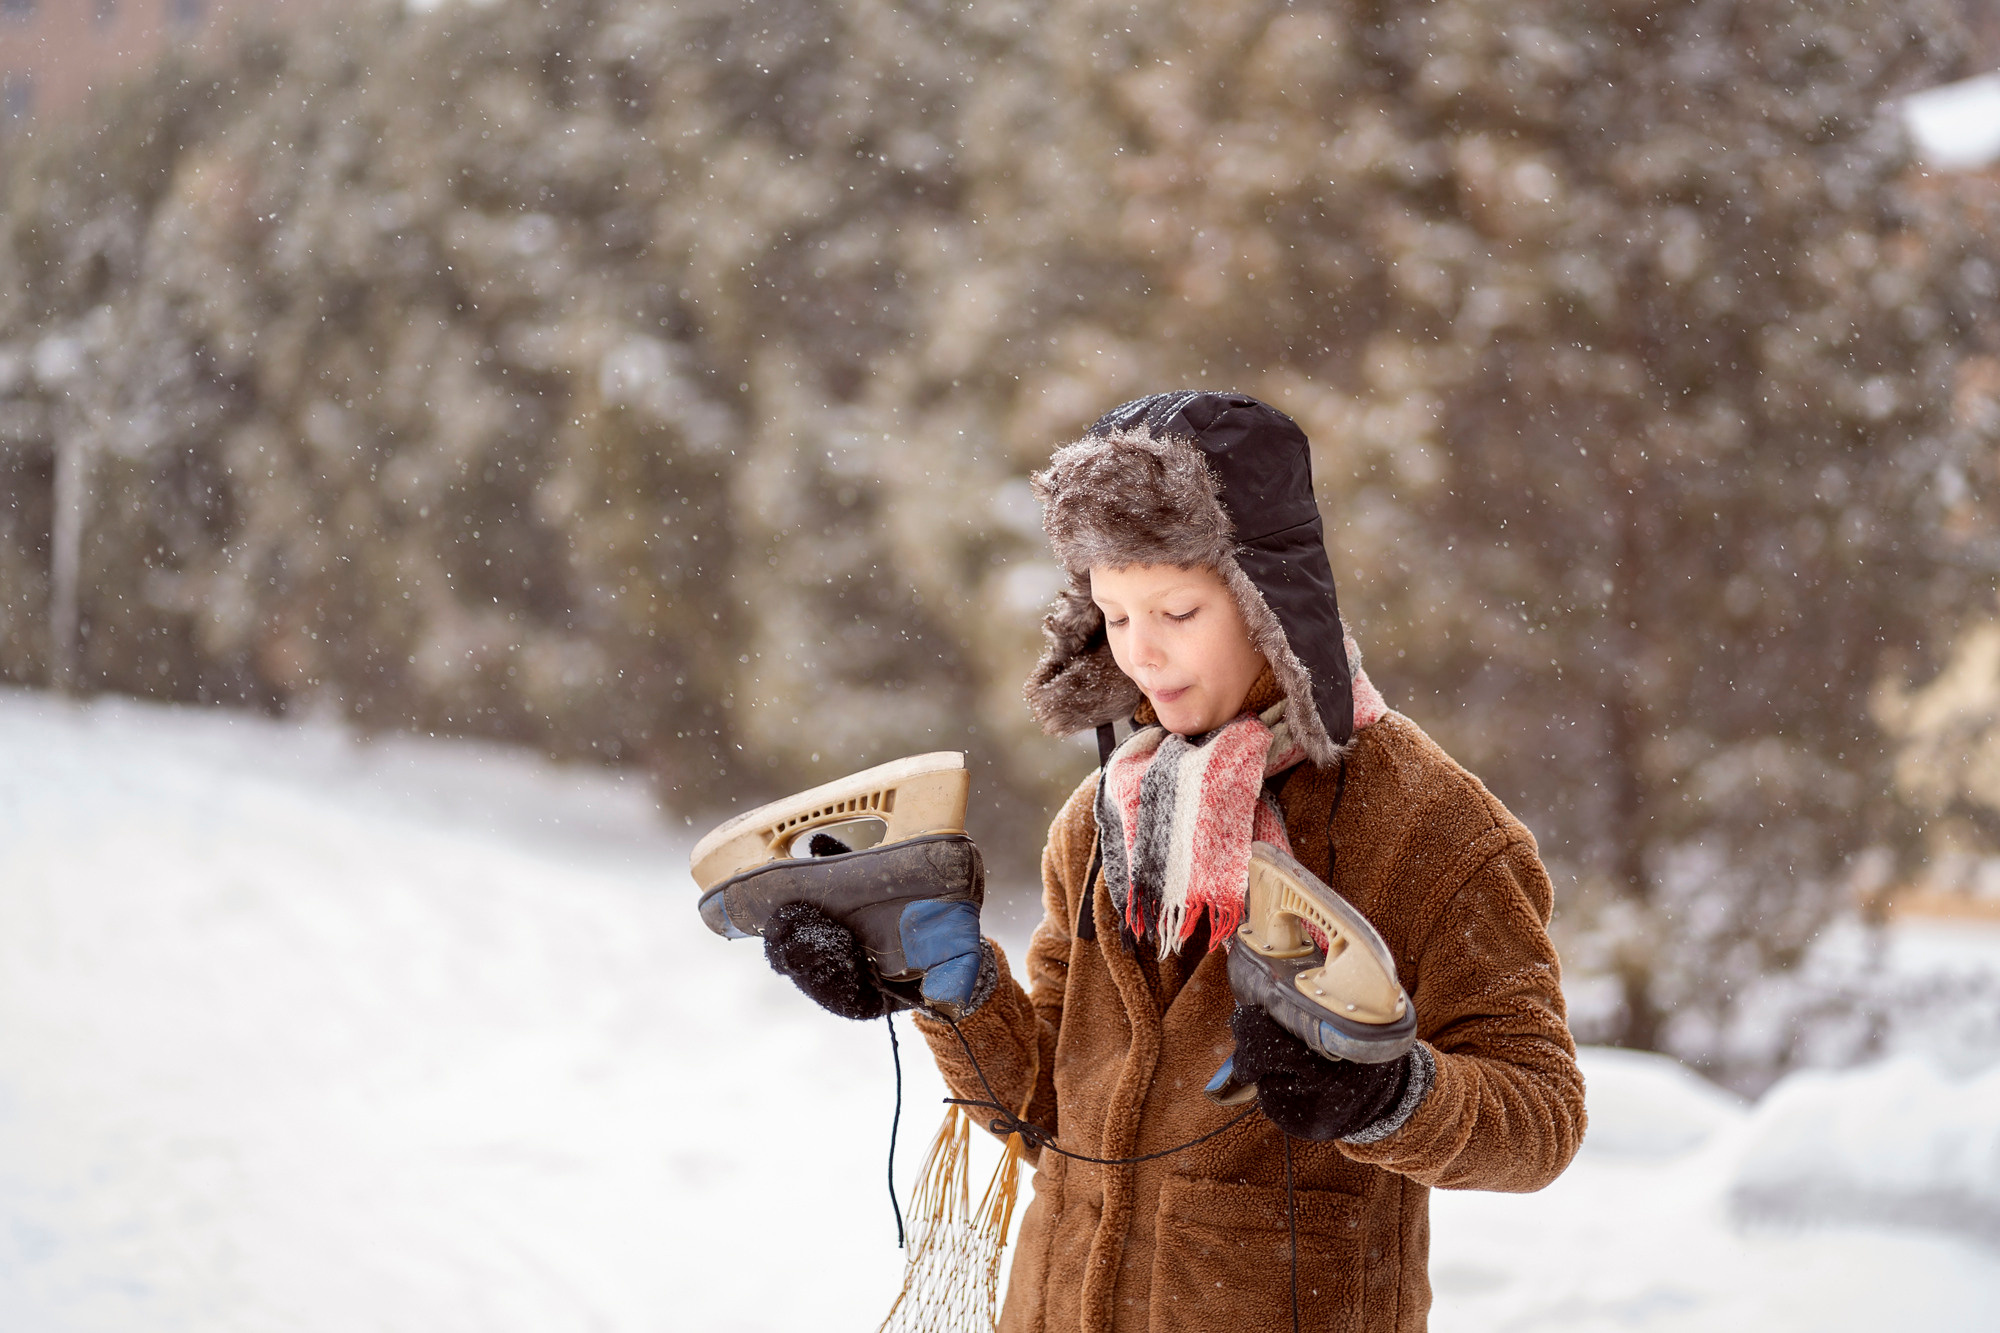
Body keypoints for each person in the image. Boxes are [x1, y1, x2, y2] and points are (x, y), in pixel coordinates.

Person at [761, 391, 1585, 1332]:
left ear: (1271, 598)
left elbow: (1541, 1117)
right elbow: (1057, 1120)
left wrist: (1387, 1092)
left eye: (1177, 609)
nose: (1142, 653)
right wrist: (942, 988)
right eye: (1112, 614)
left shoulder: (1427, 825)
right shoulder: (1105, 815)